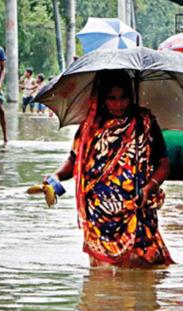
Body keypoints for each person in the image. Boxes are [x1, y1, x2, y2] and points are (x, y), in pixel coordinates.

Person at [46, 70, 173, 268]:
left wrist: (149, 188)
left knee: (140, 272)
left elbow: (163, 165)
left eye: (123, 98)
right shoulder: (90, 128)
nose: (119, 104)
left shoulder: (145, 123)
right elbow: (74, 161)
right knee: (100, 278)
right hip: (99, 214)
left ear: (131, 96)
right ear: (102, 98)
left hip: (136, 209)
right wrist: (56, 177)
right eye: (112, 98)